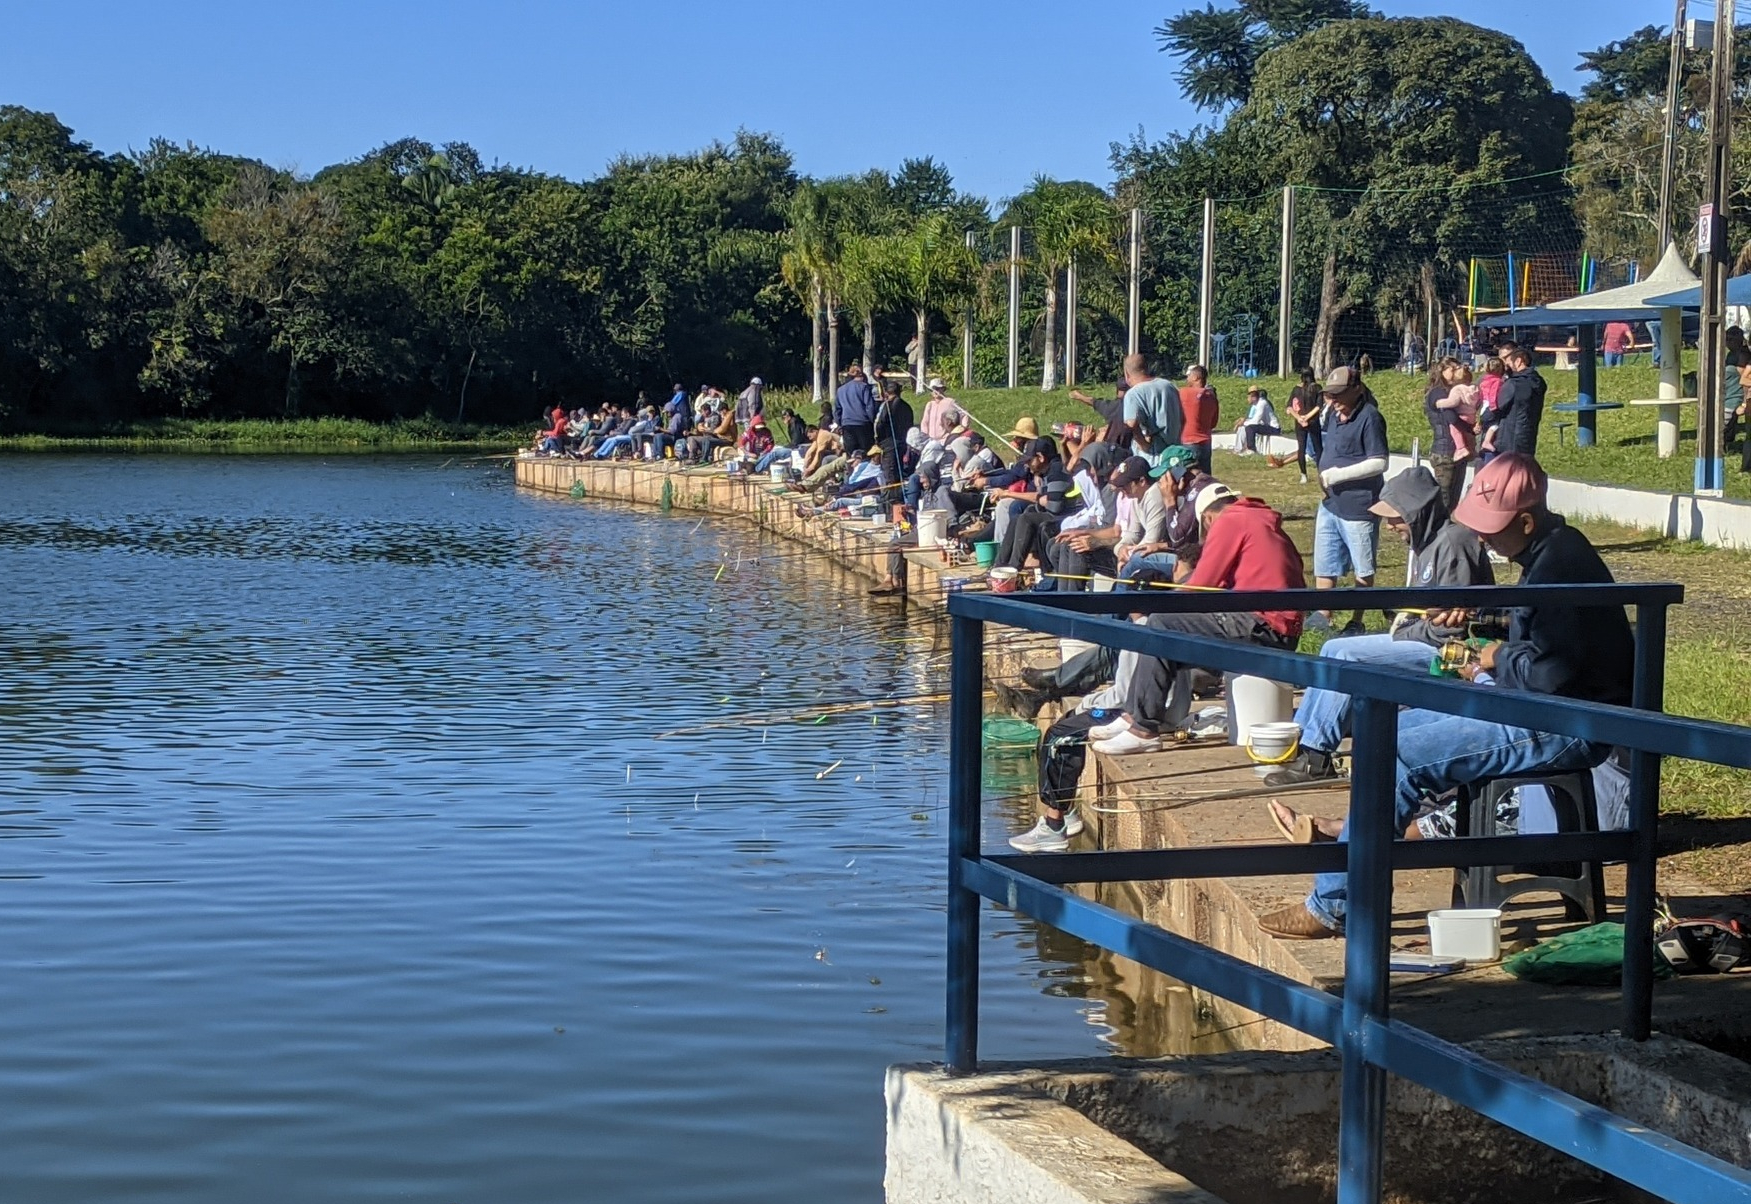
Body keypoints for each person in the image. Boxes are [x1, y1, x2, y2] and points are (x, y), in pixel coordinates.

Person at [1259, 454, 1635, 939]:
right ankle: (1349, 867)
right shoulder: (1549, 553)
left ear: (1525, 519)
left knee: (1401, 752)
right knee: (1383, 734)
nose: (1482, 538)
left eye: (1492, 529)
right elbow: (1544, 644)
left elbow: (1552, 675)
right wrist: (1485, 625)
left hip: (1567, 723)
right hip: (1540, 709)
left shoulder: (1560, 567)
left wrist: (1498, 658)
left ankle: (1336, 903)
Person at [1263, 465, 1495, 790]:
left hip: (1448, 654)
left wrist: (1402, 631)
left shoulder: (1453, 543)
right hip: (1426, 641)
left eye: (1395, 517)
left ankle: (1316, 756)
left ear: (1417, 512)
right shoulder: (1429, 545)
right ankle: (1303, 742)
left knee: (1345, 653)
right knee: (1331, 648)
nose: (1389, 526)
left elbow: (1450, 630)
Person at [1082, 485, 1305, 756]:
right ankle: (1137, 718)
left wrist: (1163, 603)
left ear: (1208, 518)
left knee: (1162, 624)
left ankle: (1143, 729)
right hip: (1277, 625)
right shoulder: (1262, 521)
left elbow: (1200, 586)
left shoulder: (1231, 520)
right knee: (1168, 631)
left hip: (1261, 623)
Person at [1310, 367, 1388, 635]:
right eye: (1330, 394)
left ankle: (1357, 620)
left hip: (1359, 507)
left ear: (1357, 389)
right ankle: (1323, 615)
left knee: (1363, 568)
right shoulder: (1333, 413)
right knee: (1324, 562)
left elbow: (1379, 462)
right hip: (1330, 503)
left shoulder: (1370, 417)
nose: (1334, 399)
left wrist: (1339, 475)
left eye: (1339, 394)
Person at [1117, 354, 1183, 465]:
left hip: (1152, 458)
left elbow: (1131, 424)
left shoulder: (1133, 394)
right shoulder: (1169, 385)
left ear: (1127, 374)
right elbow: (1182, 416)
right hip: (1175, 453)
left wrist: (1143, 445)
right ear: (1147, 368)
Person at [1483, 344, 1545, 458]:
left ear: (1518, 361)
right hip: (1528, 437)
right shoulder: (1538, 382)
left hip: (1509, 438)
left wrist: (1482, 419)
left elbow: (1496, 408)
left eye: (1508, 363)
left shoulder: (1513, 384)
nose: (1506, 366)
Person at [1269, 368, 1324, 483]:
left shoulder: (1296, 389)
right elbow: (1319, 406)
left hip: (1299, 422)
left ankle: (1303, 475)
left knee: (1301, 448)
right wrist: (1308, 417)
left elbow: (1289, 407)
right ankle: (1321, 473)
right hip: (1313, 421)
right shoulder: (1317, 388)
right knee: (1318, 448)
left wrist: (1299, 418)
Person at [1423, 357, 1462, 513]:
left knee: (1452, 501)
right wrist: (1469, 427)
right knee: (1444, 502)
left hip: (1453, 451)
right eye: (1453, 369)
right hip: (1444, 452)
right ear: (1442, 371)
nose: (1456, 373)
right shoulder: (1438, 393)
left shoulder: (1450, 392)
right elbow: (1450, 418)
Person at [872, 380, 915, 519]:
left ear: (886, 393)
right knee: (899, 474)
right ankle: (897, 507)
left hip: (889, 443)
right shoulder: (907, 407)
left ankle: (890, 510)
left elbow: (879, 424)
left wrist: (878, 440)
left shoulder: (888, 406)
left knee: (890, 476)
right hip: (903, 442)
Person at [1178, 365, 1220, 473]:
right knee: (1205, 479)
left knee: (1189, 479)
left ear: (1195, 377)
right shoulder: (1211, 397)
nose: (1187, 379)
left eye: (1189, 376)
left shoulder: (1185, 393)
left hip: (1189, 441)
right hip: (1206, 442)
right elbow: (1213, 423)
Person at [834, 363, 878, 455]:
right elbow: (869, 407)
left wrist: (840, 423)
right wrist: (872, 420)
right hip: (862, 423)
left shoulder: (840, 390)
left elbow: (837, 410)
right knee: (866, 452)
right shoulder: (864, 387)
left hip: (846, 424)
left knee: (851, 454)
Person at [1071, 378, 1129, 446]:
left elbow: (1094, 402)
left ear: (1117, 391)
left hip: (1113, 447)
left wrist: (1079, 396)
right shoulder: (1137, 404)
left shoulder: (1113, 406)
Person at [1233, 385, 1279, 454]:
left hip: (1274, 428)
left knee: (1250, 428)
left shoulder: (1262, 403)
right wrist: (1243, 422)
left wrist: (1243, 423)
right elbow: (1252, 419)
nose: (1247, 399)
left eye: (1248, 397)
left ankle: (1251, 449)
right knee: (1246, 427)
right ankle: (1240, 449)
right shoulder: (1256, 404)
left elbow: (1255, 421)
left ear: (1253, 397)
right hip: (1266, 426)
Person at [919, 378, 963, 442]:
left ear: (942, 389)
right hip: (930, 441)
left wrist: (959, 431)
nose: (934, 391)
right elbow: (924, 422)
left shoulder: (950, 402)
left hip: (945, 440)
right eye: (931, 390)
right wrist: (925, 436)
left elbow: (964, 415)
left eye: (936, 389)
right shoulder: (930, 404)